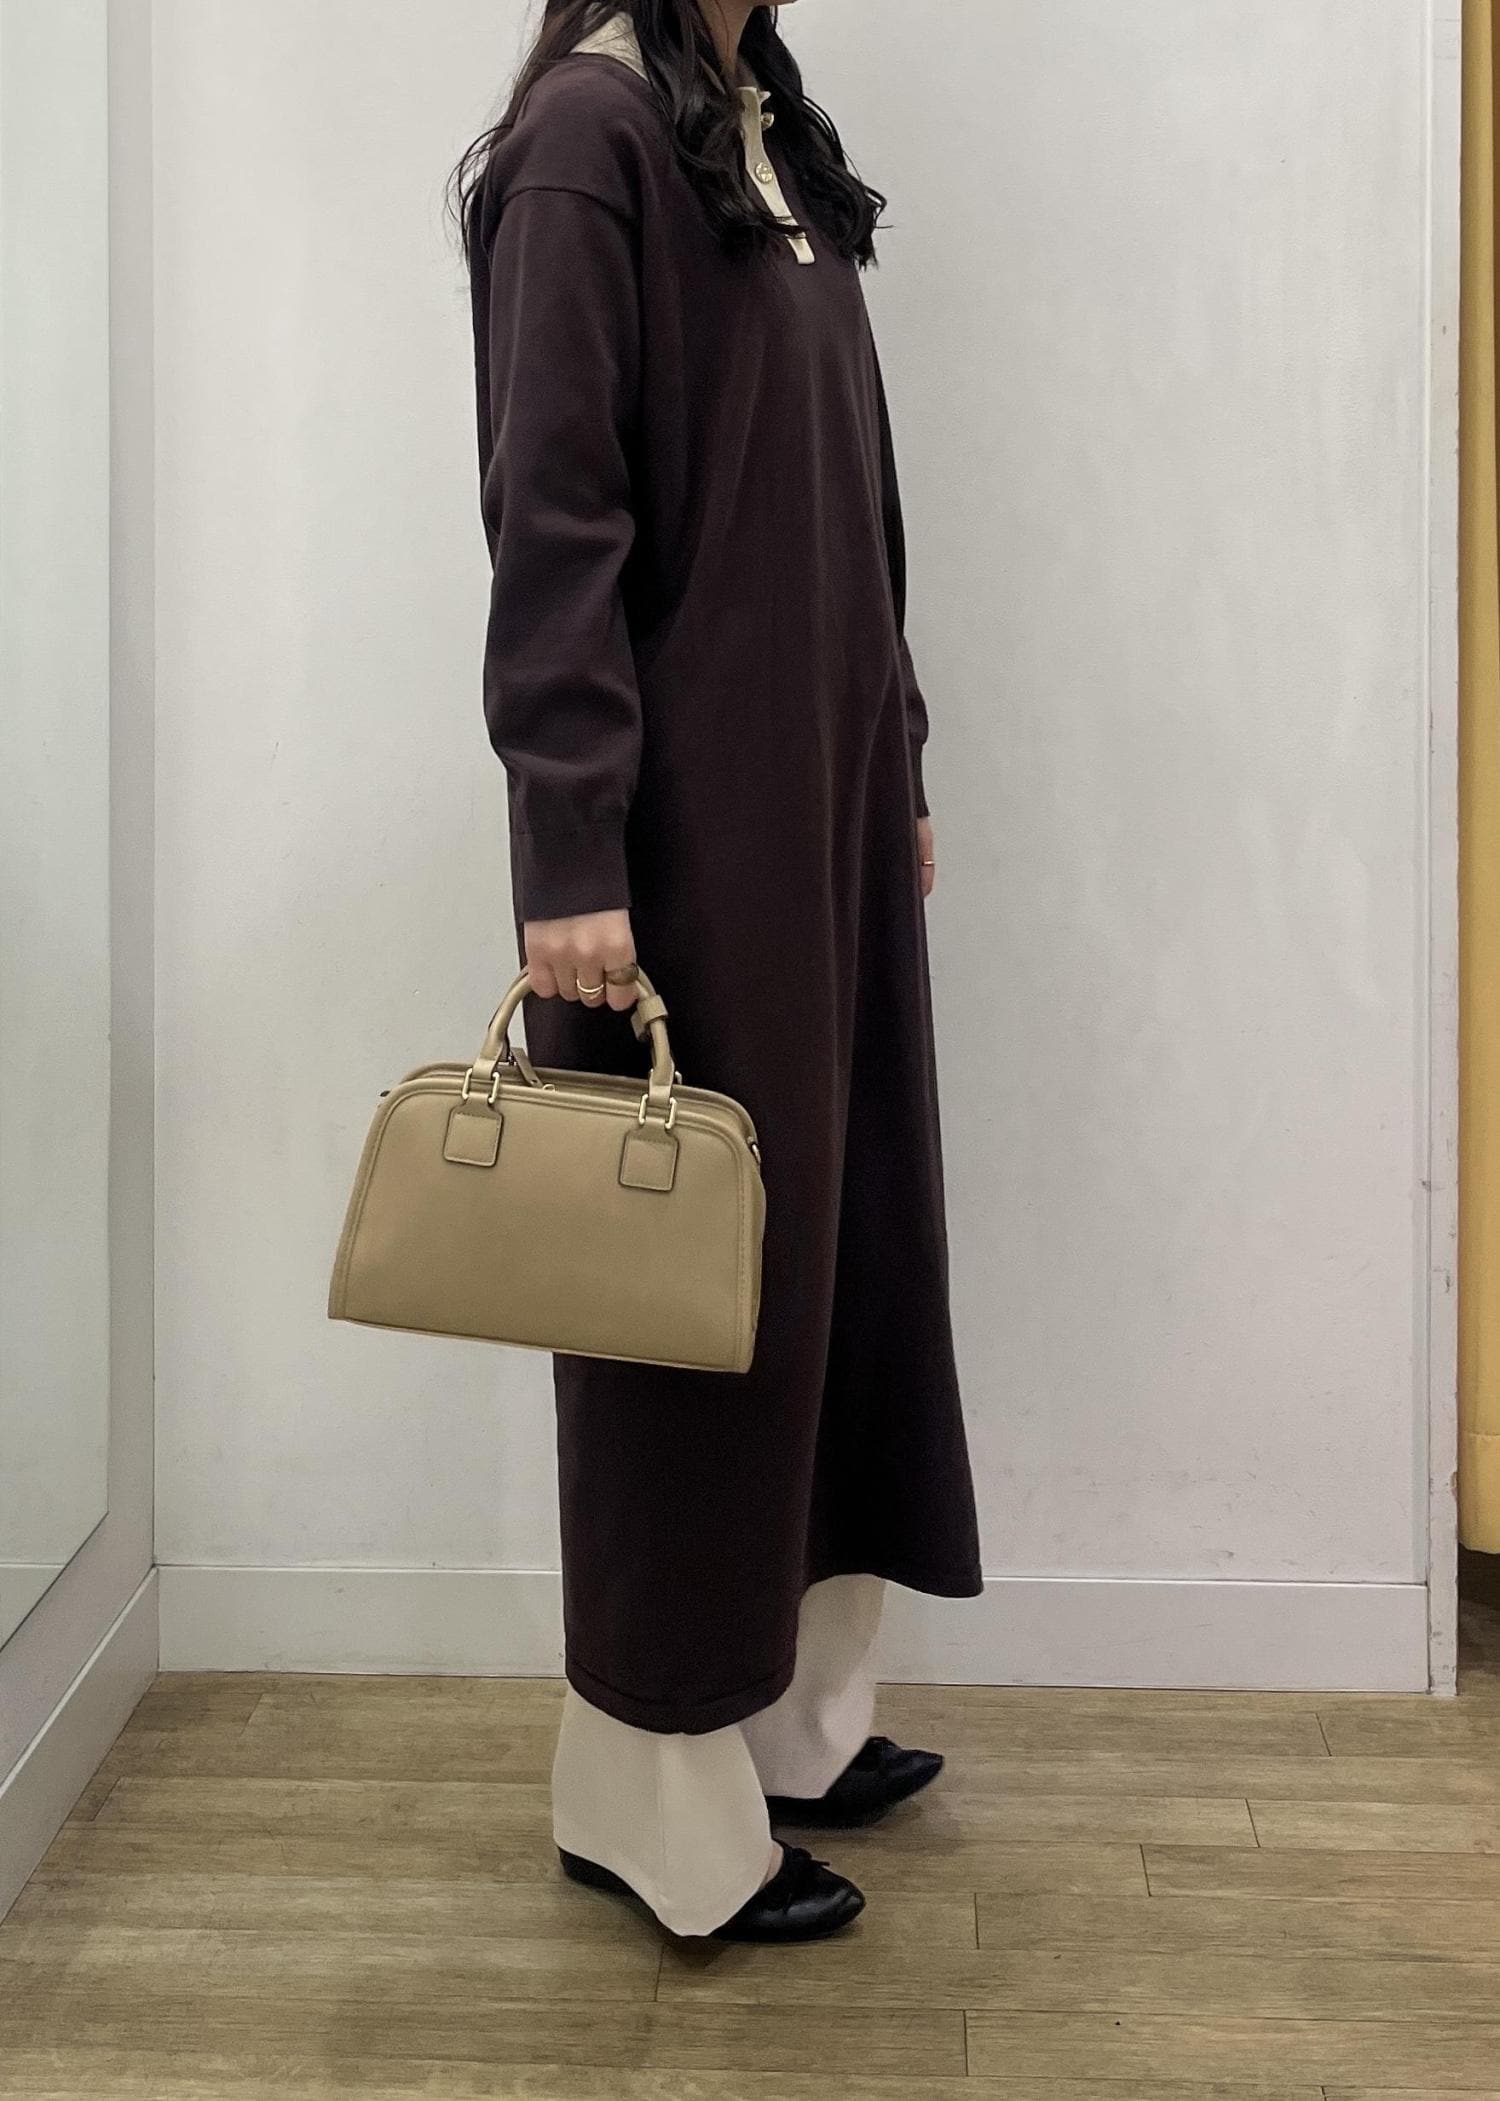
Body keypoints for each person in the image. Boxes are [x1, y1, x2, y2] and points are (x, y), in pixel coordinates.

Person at [452, 0, 983, 1943]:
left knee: (840, 1268)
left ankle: (792, 1725)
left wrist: (894, 754)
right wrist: (572, 845)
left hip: (820, 817)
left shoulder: (763, 129)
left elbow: (853, 500)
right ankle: (652, 1800)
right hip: (679, 850)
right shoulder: (587, 142)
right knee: (687, 1316)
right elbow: (551, 519)